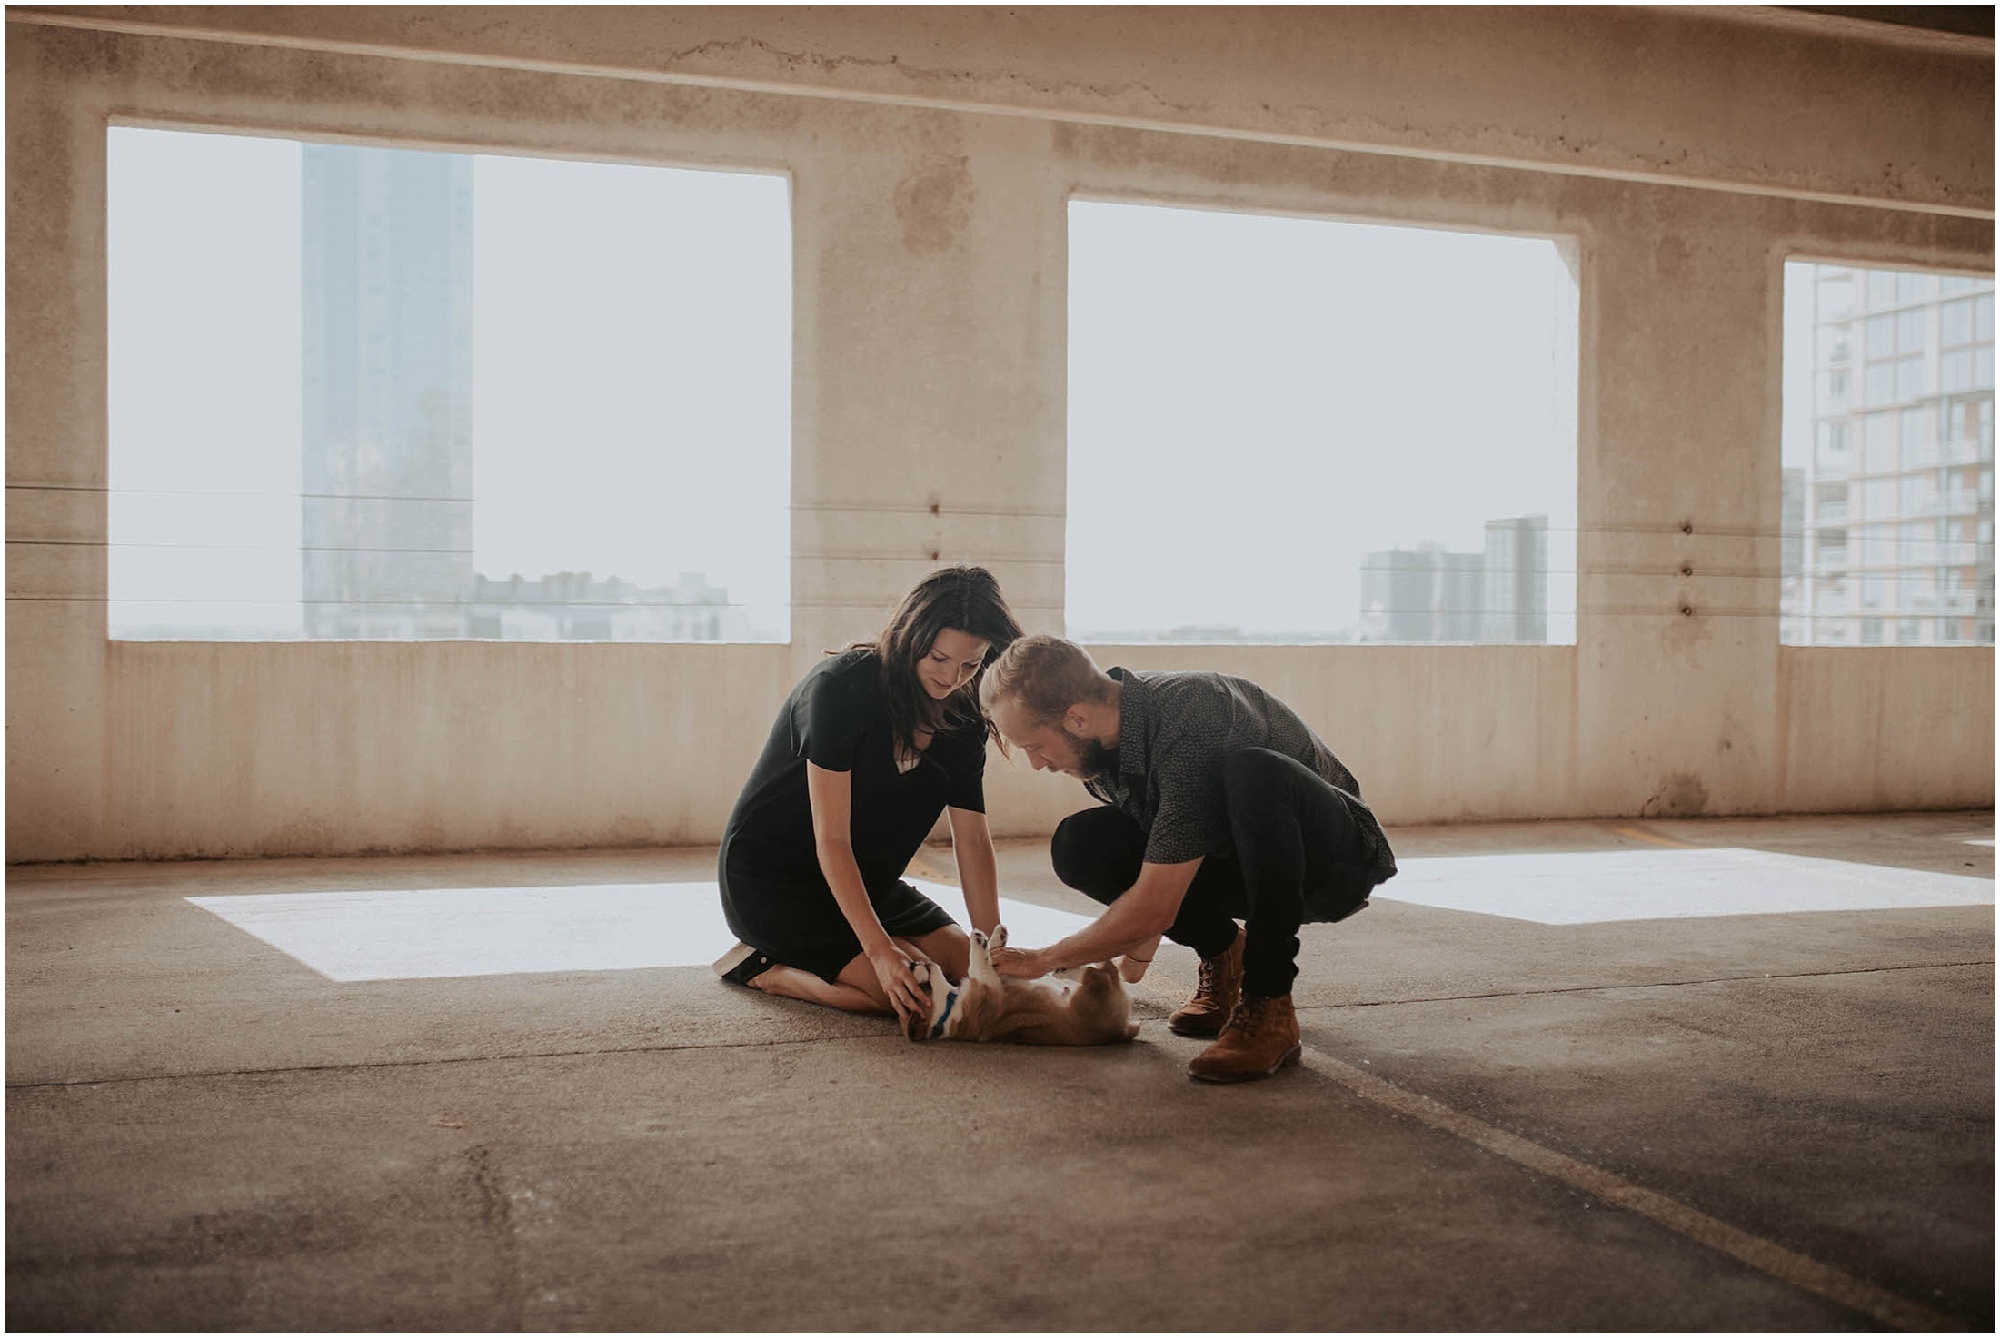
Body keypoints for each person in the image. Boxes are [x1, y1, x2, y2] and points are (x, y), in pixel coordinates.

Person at [976, 634, 1398, 1083]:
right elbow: (1162, 865)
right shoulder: (1103, 753)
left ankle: (1269, 1001)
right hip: (1237, 862)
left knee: (1254, 773)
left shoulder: (1193, 715)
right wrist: (1131, 958)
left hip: (1332, 864)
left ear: (1076, 717)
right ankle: (1225, 957)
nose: (1037, 764)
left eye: (1033, 746)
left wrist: (1044, 959)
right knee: (1081, 843)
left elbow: (1156, 903)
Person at [712, 566, 1024, 1027]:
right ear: (910, 637)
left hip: (870, 883)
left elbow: (973, 841)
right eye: (938, 658)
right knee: (914, 996)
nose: (952, 678)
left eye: (970, 665)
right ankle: (765, 971)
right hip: (775, 882)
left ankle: (883, 950)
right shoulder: (841, 690)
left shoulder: (963, 720)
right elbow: (832, 840)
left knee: (979, 981)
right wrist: (880, 952)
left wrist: (990, 947)